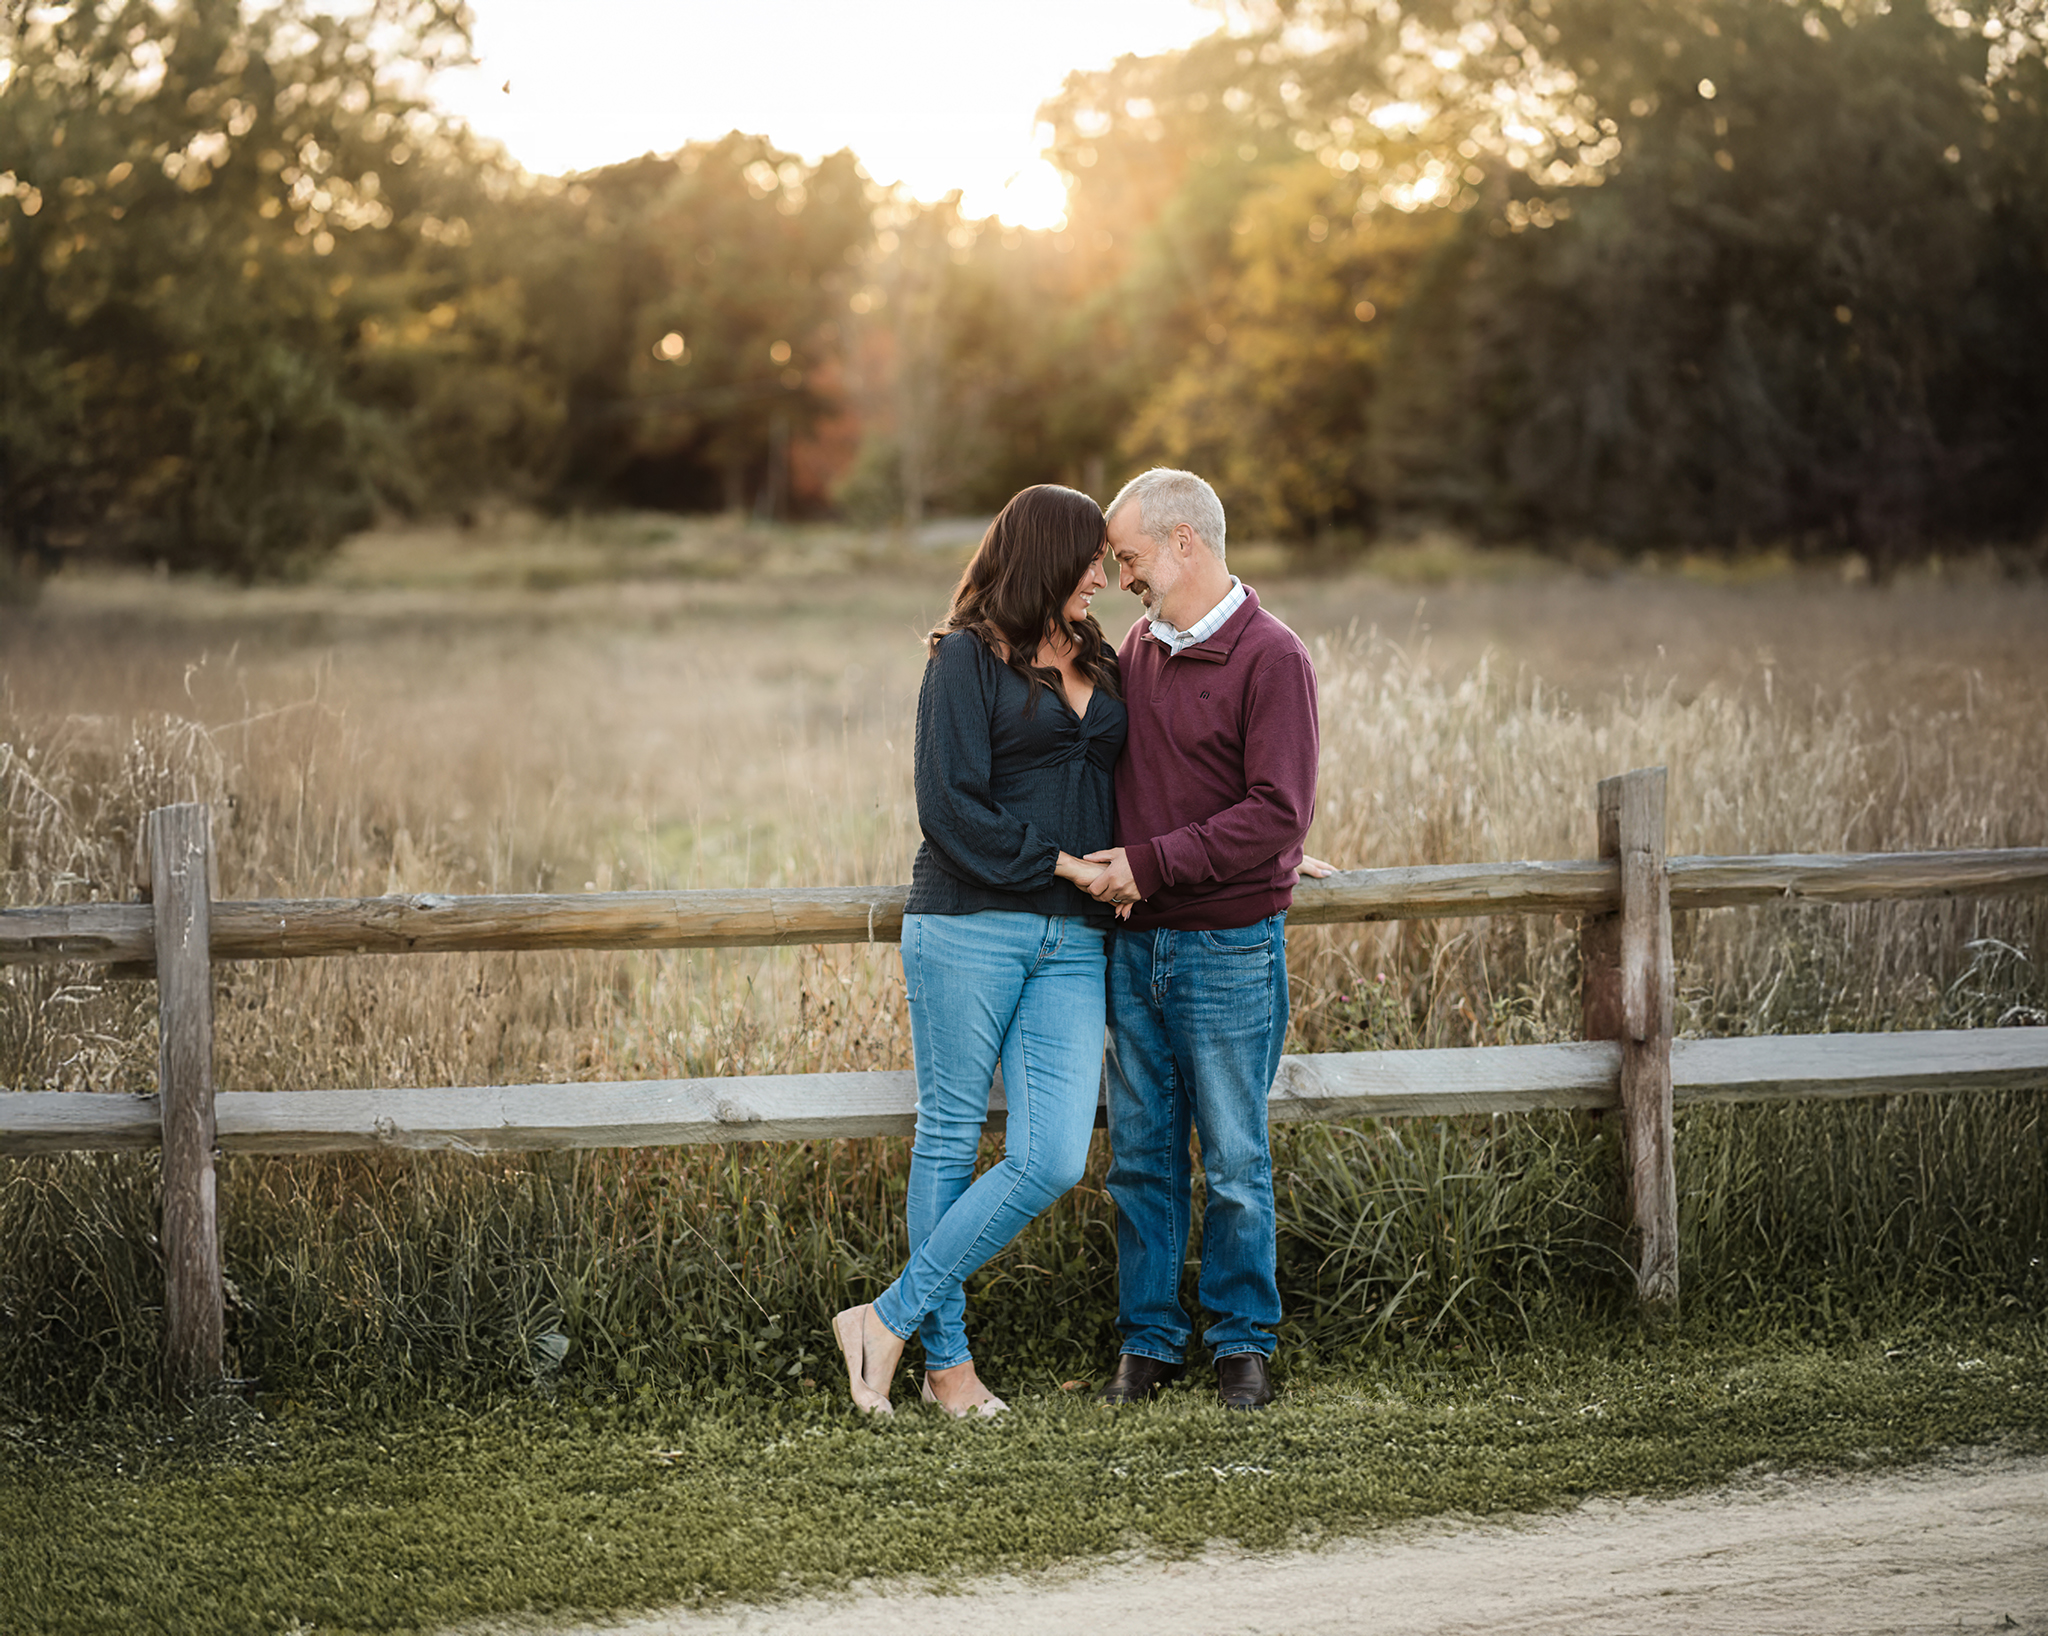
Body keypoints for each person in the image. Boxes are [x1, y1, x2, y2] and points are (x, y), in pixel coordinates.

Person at [832, 484, 1128, 1417]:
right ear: (1045, 555)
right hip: (970, 925)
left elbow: (1155, 772)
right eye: (1089, 558)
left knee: (1052, 1160)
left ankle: (884, 1318)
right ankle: (948, 1371)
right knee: (952, 1136)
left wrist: (1261, 843)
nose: (1103, 577)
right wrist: (1065, 866)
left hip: (1075, 943)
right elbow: (948, 808)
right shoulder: (962, 661)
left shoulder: (1103, 658)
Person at [1079, 467, 1321, 1412]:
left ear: (1184, 542)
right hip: (1137, 952)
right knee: (1139, 1157)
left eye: (1131, 557)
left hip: (1226, 950)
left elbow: (1274, 811)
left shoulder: (1272, 657)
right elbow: (1186, 791)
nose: (1123, 577)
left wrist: (1157, 864)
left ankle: (1241, 1345)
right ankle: (1148, 1342)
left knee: (1233, 1160)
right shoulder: (1137, 652)